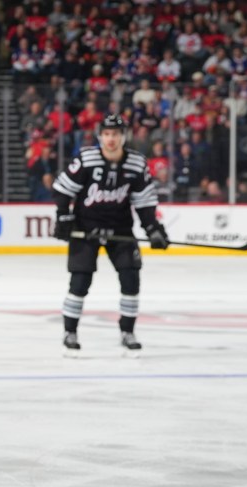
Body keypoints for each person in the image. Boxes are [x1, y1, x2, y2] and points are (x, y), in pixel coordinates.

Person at [51, 114, 168, 357]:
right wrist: (63, 217)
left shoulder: (136, 163)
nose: (111, 139)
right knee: (80, 282)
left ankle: (127, 332)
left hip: (120, 228)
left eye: (115, 134)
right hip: (86, 228)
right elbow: (63, 190)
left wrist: (153, 229)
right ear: (100, 136)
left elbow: (144, 202)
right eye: (106, 134)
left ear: (123, 136)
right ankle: (70, 332)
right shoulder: (87, 159)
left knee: (131, 279)